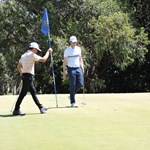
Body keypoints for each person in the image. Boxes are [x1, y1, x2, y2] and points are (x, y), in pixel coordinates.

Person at [12, 42, 52, 116]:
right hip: (28, 76)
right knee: (23, 93)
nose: (37, 51)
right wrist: (48, 52)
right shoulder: (32, 55)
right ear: (33, 49)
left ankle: (41, 107)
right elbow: (43, 59)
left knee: (33, 92)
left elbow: (19, 66)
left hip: (25, 76)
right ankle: (16, 109)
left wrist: (22, 73)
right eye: (36, 49)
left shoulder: (23, 55)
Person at [63, 36, 84, 107]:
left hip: (78, 68)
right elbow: (65, 62)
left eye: (75, 42)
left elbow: (80, 59)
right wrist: (64, 71)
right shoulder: (67, 50)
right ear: (70, 42)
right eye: (73, 42)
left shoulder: (78, 49)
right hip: (71, 69)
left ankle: (71, 95)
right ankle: (73, 102)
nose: (74, 43)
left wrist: (82, 67)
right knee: (73, 85)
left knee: (80, 83)